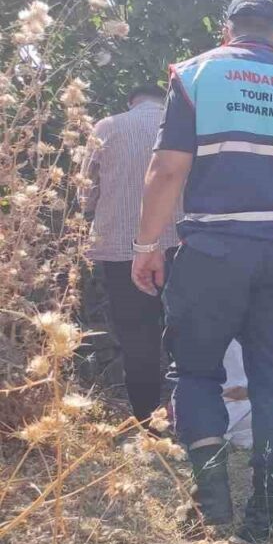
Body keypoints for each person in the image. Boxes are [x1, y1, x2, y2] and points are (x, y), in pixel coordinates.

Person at [131, 0, 273, 541]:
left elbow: (167, 170)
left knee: (197, 373)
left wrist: (147, 245)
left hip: (215, 252)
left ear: (226, 30)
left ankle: (212, 503)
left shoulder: (196, 76)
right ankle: (266, 518)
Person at [79, 84, 180, 427]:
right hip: (181, 246)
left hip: (121, 248)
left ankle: (147, 422)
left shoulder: (107, 127)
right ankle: (191, 412)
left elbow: (84, 195)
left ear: (132, 102)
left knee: (138, 338)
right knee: (188, 331)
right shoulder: (186, 126)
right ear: (164, 100)